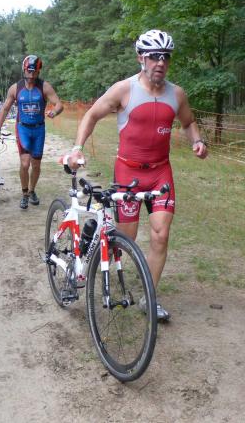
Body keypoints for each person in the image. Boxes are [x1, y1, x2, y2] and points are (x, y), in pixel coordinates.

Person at [67, 29, 208, 321]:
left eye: (166, 57)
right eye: (154, 56)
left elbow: (189, 122)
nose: (160, 62)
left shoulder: (177, 94)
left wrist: (197, 140)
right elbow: (91, 115)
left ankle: (149, 298)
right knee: (125, 239)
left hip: (160, 173)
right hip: (128, 172)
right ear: (140, 58)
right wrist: (77, 148)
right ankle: (88, 255)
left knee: (161, 234)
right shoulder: (124, 90)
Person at [0, 54, 64, 209]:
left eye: (35, 72)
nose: (31, 75)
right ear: (24, 69)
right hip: (23, 128)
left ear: (39, 72)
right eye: (29, 71)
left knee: (36, 165)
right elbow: (5, 108)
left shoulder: (44, 87)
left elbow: (59, 104)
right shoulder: (15, 88)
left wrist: (55, 112)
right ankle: (25, 193)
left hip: (39, 129)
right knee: (25, 163)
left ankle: (32, 190)